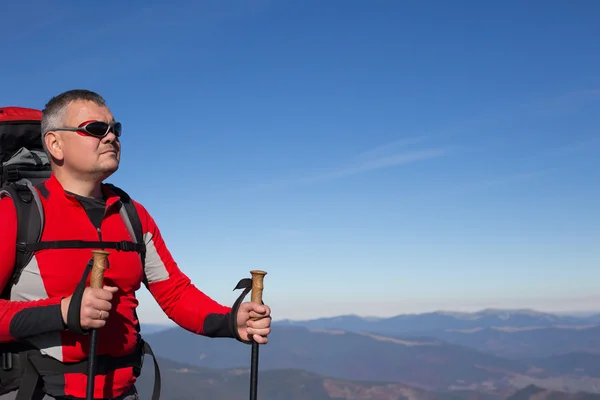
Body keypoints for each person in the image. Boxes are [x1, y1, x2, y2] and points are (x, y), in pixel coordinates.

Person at [0, 90, 272, 400]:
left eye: (115, 129)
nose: (111, 137)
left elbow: (174, 293)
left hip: (124, 390)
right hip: (40, 392)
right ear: (55, 144)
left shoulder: (133, 215)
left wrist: (229, 320)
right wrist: (62, 312)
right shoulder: (17, 212)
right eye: (95, 129)